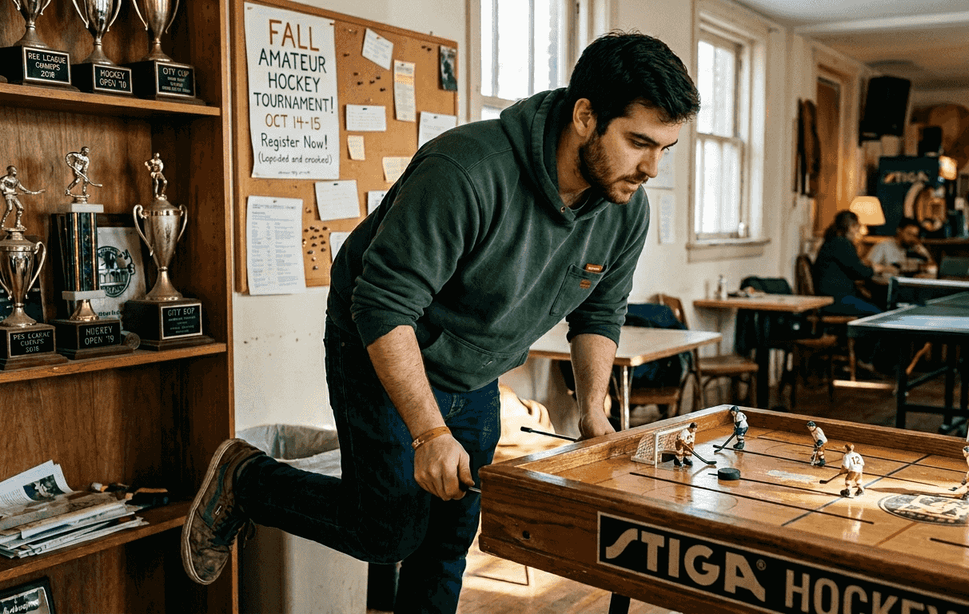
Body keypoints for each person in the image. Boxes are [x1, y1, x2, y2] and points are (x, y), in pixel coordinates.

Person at [180, 31, 700, 612]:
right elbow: (383, 307)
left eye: (664, 149)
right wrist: (429, 433)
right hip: (380, 340)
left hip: (475, 365)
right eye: (638, 142)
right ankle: (245, 478)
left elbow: (600, 310)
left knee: (450, 537)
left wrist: (593, 410)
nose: (652, 167)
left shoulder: (624, 207)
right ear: (585, 116)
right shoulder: (467, 170)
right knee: (389, 532)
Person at [812, 210, 895, 317]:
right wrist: (875, 269)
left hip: (830, 296)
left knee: (875, 306)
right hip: (835, 299)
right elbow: (859, 272)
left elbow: (852, 267)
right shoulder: (841, 243)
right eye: (857, 226)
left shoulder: (833, 242)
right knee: (878, 315)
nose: (858, 230)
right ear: (851, 227)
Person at [865, 217, 933, 276]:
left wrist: (923, 254)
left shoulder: (917, 248)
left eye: (915, 235)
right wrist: (885, 269)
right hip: (886, 285)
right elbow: (868, 264)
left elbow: (931, 267)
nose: (912, 238)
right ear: (899, 231)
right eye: (909, 234)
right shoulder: (884, 245)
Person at [0, 166, 42, 231]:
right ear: (9, 170)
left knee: (20, 208)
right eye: (13, 170)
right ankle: (2, 223)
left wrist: (34, 192)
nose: (14, 171)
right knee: (10, 208)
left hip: (13, 196)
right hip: (8, 195)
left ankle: (18, 224)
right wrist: (6, 191)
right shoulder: (4, 179)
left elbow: (23, 189)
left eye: (15, 170)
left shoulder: (16, 181)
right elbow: (2, 189)